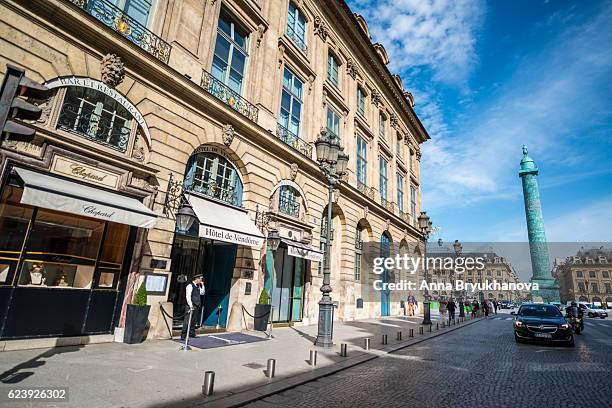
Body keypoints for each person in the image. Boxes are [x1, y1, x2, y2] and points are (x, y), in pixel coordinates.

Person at [181, 274, 205, 340]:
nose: (201, 280)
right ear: (197, 279)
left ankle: (192, 333)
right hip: (191, 305)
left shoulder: (198, 286)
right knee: (187, 320)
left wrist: (202, 285)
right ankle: (183, 335)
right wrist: (191, 305)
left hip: (196, 305)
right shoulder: (190, 285)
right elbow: (188, 296)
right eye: (200, 279)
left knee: (194, 320)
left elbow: (202, 293)